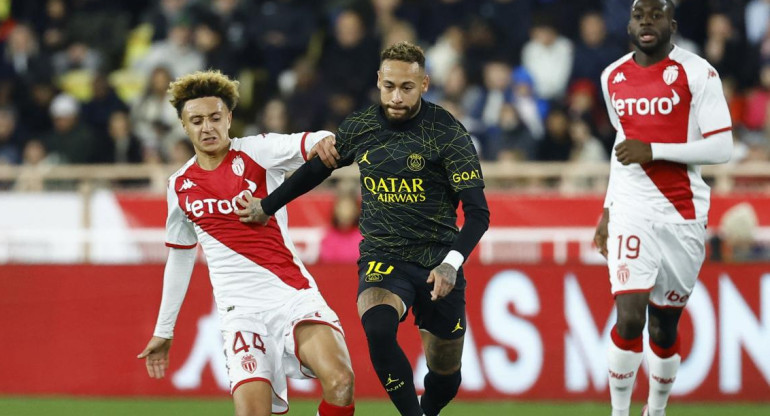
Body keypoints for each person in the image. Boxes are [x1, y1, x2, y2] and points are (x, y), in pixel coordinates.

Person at [237, 41, 490, 416]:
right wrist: (266, 207)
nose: (397, 96)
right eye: (389, 86)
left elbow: (478, 213)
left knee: (446, 376)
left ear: (424, 84)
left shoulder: (447, 133)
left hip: (438, 262)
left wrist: (451, 264)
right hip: (383, 258)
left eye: (407, 87)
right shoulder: (363, 126)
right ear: (378, 81)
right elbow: (315, 171)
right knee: (377, 328)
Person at [136, 70, 355, 416]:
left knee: (341, 382)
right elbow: (179, 258)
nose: (207, 127)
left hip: (292, 296)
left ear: (229, 119)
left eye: (214, 118)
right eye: (197, 120)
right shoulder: (179, 186)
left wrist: (323, 141)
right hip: (241, 316)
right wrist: (164, 330)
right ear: (183, 125)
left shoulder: (257, 151)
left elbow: (315, 139)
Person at [593, 2, 733, 416]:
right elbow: (623, 150)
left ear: (671, 25)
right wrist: (608, 210)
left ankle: (656, 410)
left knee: (663, 326)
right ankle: (619, 412)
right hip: (633, 207)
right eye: (640, 16)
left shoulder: (698, 72)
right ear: (629, 25)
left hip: (683, 213)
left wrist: (654, 151)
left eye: (656, 16)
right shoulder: (612, 77)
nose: (647, 22)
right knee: (629, 316)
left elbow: (722, 147)